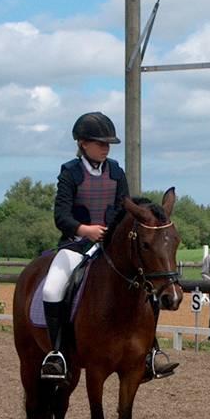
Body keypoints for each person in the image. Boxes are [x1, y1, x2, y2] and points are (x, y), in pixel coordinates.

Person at [40, 111, 178, 383]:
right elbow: (61, 215)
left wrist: (114, 232)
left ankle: (150, 352)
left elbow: (123, 208)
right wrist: (85, 230)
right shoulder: (70, 172)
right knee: (52, 287)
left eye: (108, 144)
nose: (105, 148)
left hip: (110, 245)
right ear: (82, 143)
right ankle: (57, 353)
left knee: (150, 286)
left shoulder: (116, 171)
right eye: (100, 143)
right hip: (75, 244)